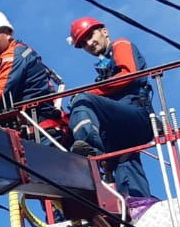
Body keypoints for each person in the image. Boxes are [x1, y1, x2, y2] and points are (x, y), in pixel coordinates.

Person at [65, 16, 155, 199]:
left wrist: (89, 92)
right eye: (83, 43)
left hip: (136, 114)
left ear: (104, 32)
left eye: (90, 36)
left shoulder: (120, 45)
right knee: (124, 159)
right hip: (120, 126)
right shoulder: (103, 71)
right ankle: (138, 202)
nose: (89, 43)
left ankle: (90, 152)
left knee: (82, 101)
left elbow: (128, 75)